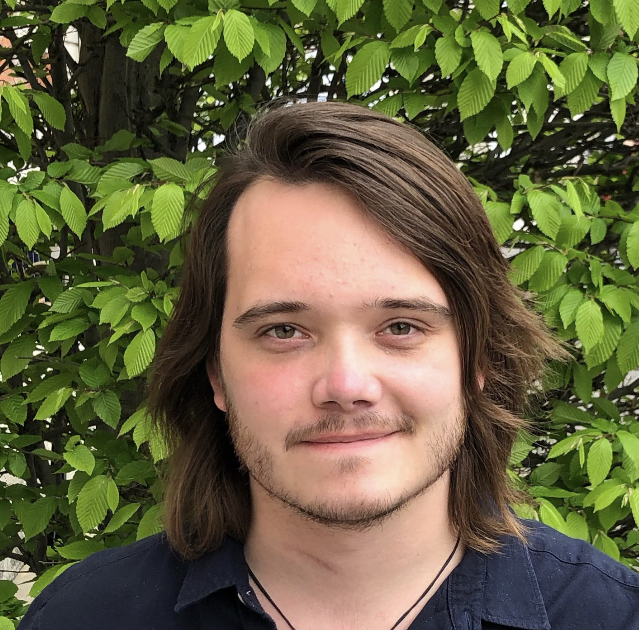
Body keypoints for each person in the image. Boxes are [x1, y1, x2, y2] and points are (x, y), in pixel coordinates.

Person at [18, 101, 639, 630]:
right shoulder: (83, 617)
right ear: (215, 373)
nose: (346, 386)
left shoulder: (610, 617)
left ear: (477, 358)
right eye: (283, 331)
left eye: (402, 327)